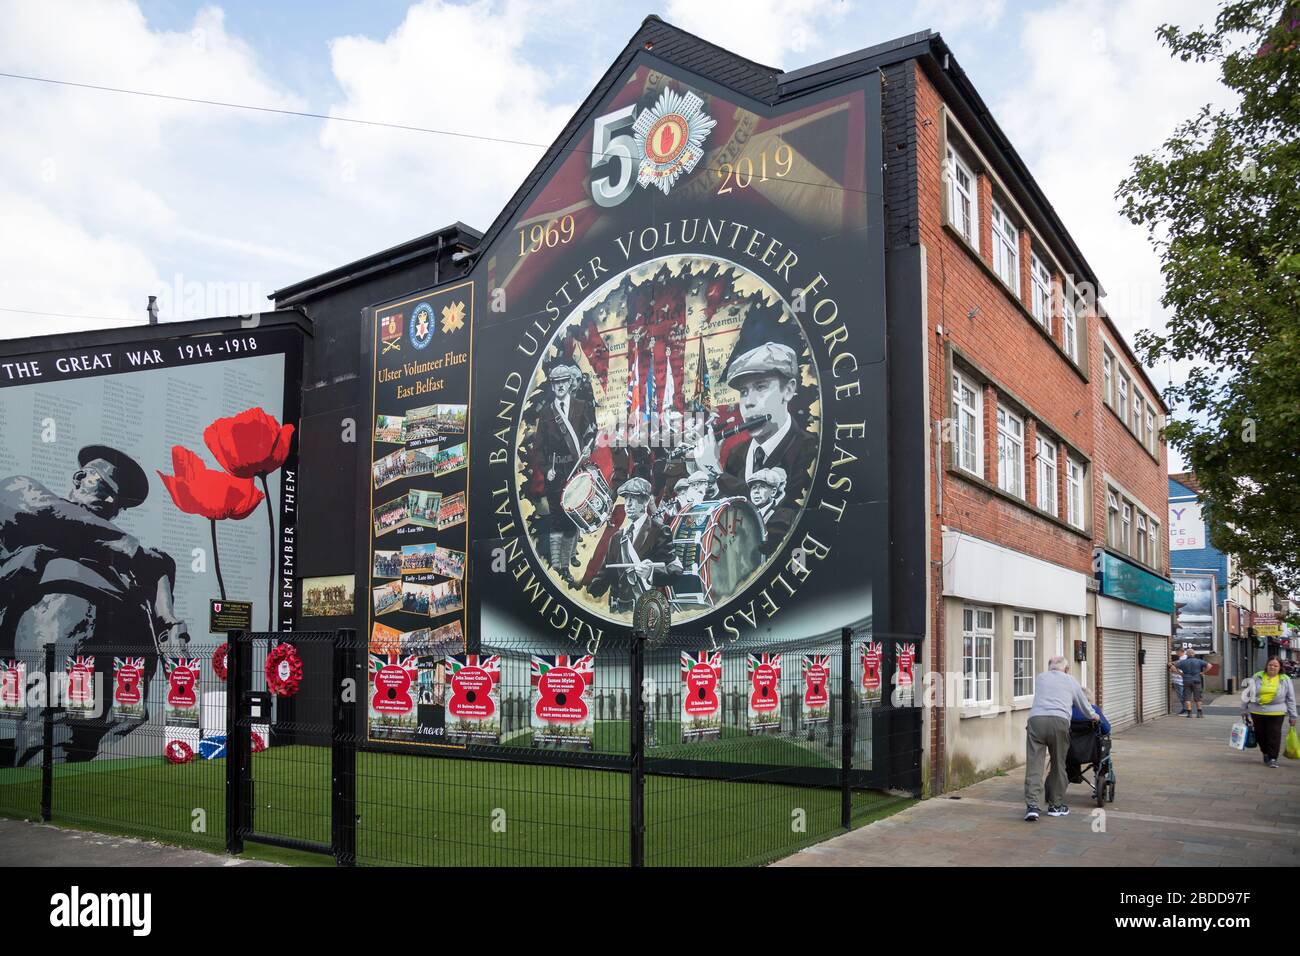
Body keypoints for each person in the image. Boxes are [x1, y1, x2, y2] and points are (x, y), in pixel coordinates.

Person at [690, 342, 815, 554]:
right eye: (744, 392)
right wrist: (705, 478)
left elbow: (774, 530)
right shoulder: (737, 455)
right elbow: (723, 525)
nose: (748, 403)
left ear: (789, 389)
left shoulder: (808, 450)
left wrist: (716, 472)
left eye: (760, 387)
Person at [531, 364, 596, 583]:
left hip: (575, 469)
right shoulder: (547, 412)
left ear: (569, 383)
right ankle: (559, 566)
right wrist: (546, 469)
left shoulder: (581, 406)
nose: (560, 387)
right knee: (557, 520)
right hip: (555, 472)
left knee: (573, 519)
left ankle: (566, 561)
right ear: (553, 386)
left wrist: (588, 445)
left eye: (563, 382)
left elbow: (589, 432)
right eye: (555, 383)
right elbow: (538, 448)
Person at [587, 477, 682, 614]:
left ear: (645, 501)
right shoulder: (616, 537)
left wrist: (650, 573)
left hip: (647, 611)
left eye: (634, 498)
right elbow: (605, 574)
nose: (628, 504)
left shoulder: (660, 532)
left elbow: (676, 571)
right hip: (617, 611)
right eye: (626, 498)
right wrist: (589, 594)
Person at [1024, 656, 1098, 822]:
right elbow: (1083, 705)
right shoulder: (1071, 681)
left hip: (1036, 721)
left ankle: (1032, 806)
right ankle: (1056, 806)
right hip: (1059, 721)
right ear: (1067, 669)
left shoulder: (1041, 678)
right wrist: (1094, 716)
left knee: (1034, 765)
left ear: (1050, 668)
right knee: (1059, 764)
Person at [1240, 657, 1297, 768]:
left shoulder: (1285, 679)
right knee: (1260, 734)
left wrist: (1293, 715)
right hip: (1257, 711)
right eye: (1270, 665)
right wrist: (1244, 709)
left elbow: (1290, 698)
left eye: (1275, 666)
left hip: (1277, 711)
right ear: (1266, 665)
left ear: (1280, 667)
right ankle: (1265, 753)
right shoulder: (1257, 676)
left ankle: (1273, 758)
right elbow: (1247, 694)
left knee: (1274, 734)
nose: (1272, 667)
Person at [1176, 651, 1210, 717]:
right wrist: (1203, 672)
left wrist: (1180, 673)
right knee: (1198, 697)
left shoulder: (1183, 662)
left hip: (1186, 680)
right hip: (1196, 680)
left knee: (1187, 697)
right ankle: (1199, 713)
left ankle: (1189, 713)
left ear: (1187, 655)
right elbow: (1209, 665)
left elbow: (1173, 667)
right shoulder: (1199, 661)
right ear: (1194, 654)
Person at [1168, 651, 1184, 716]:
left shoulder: (1181, 661)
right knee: (1181, 695)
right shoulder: (1179, 661)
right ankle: (1185, 708)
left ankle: (1185, 709)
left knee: (1181, 696)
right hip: (1178, 681)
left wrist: (1174, 668)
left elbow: (1181, 673)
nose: (1176, 653)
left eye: (1177, 652)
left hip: (1179, 681)